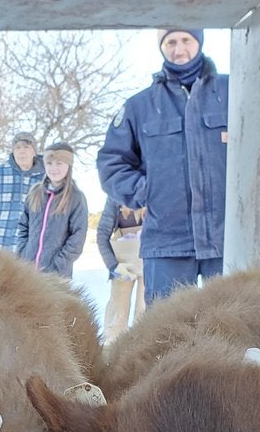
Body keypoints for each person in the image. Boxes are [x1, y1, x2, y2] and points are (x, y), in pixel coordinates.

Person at [97, 28, 229, 302]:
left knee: (238, 328)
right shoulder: (140, 106)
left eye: (186, 40)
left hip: (228, 238)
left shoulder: (232, 92)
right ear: (161, 46)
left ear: (199, 41)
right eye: (170, 42)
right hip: (167, 243)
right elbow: (111, 163)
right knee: (167, 334)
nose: (178, 49)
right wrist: (148, 190)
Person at [15, 142, 88, 278]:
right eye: (49, 163)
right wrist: (22, 254)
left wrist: (59, 263)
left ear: (69, 165)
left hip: (56, 274)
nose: (54, 168)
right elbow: (23, 227)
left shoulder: (76, 197)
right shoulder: (35, 193)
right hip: (27, 270)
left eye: (59, 163)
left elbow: (78, 236)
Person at [0, 132, 44, 251]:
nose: (21, 151)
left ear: (34, 151)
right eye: (17, 147)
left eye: (26, 147)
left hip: (30, 246)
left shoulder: (45, 178)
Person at [95, 198, 147, 341]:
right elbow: (102, 235)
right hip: (123, 263)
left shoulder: (155, 189)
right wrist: (113, 265)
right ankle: (111, 352)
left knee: (146, 310)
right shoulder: (115, 197)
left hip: (150, 263)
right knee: (117, 313)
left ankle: (141, 353)